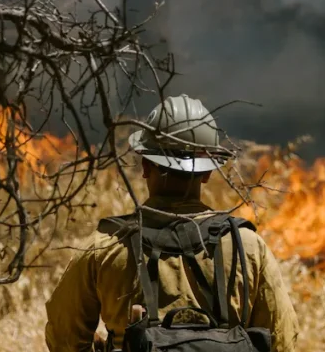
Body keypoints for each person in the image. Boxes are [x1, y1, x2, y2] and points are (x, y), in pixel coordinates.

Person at [44, 94, 299, 352]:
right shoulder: (247, 247)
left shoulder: (105, 248)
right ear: (208, 172)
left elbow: (63, 337)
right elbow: (282, 340)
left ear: (145, 166)